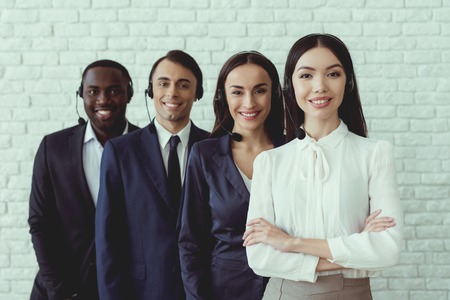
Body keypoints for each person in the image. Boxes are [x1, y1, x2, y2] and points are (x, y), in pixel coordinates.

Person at [243, 33, 404, 300]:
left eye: (333, 74)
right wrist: (356, 250)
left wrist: (290, 243)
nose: (319, 86)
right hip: (284, 293)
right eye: (306, 75)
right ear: (290, 85)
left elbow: (388, 249)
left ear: (348, 82)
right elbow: (260, 257)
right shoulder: (270, 162)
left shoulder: (375, 153)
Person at [95, 50, 209, 300]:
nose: (172, 93)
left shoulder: (215, 148)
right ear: (150, 91)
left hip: (206, 289)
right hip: (143, 291)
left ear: (197, 93)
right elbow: (108, 239)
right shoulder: (121, 151)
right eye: (163, 83)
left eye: (183, 84)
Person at [28, 59, 139, 300]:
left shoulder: (148, 148)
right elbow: (40, 223)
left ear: (129, 94)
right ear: (81, 95)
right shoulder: (53, 148)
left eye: (114, 91)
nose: (103, 99)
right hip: (62, 290)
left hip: (129, 291)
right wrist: (59, 291)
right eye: (93, 91)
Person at [178, 51, 285, 300]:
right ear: (223, 96)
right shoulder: (205, 154)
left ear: (275, 94)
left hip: (287, 288)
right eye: (237, 92)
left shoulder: (292, 150)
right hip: (223, 291)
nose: (249, 103)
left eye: (259, 90)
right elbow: (190, 242)